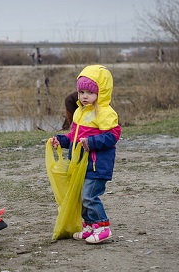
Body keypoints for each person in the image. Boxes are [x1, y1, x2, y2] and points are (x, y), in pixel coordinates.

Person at [51, 65, 121, 244]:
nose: (84, 96)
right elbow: (75, 138)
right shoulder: (80, 113)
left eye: (89, 92)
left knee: (89, 196)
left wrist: (91, 142)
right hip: (80, 165)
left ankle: (103, 227)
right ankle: (90, 226)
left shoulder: (105, 113)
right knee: (80, 196)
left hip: (97, 165)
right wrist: (62, 140)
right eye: (81, 92)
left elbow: (113, 136)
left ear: (101, 92)